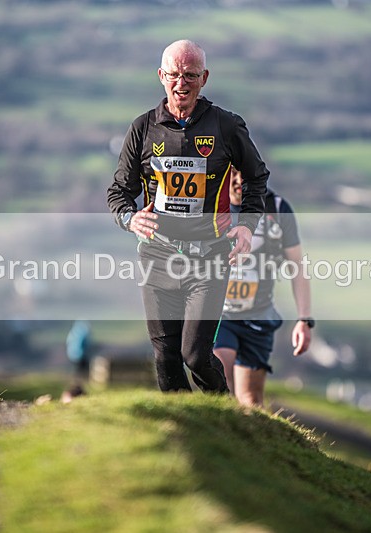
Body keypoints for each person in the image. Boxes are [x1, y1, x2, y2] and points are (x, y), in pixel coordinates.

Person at [106, 39, 269, 393]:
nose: (182, 83)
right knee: (165, 357)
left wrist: (246, 228)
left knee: (194, 355)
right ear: (161, 76)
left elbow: (257, 178)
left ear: (204, 78)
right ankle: (183, 434)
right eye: (175, 75)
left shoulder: (226, 126)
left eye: (191, 75)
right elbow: (118, 193)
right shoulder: (143, 128)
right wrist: (129, 219)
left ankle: (224, 416)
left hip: (210, 256)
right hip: (158, 255)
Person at [213, 168, 312, 408]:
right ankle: (221, 438)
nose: (237, 180)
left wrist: (304, 319)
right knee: (221, 372)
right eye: (231, 174)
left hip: (258, 314)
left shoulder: (277, 209)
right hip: (218, 313)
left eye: (242, 173)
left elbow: (298, 266)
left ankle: (246, 442)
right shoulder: (212, 204)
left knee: (251, 400)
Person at [60, 320, 93, 403]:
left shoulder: (74, 332)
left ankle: (77, 384)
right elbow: (85, 344)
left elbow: (68, 342)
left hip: (72, 355)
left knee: (77, 371)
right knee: (83, 372)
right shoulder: (83, 333)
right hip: (80, 355)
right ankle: (80, 385)